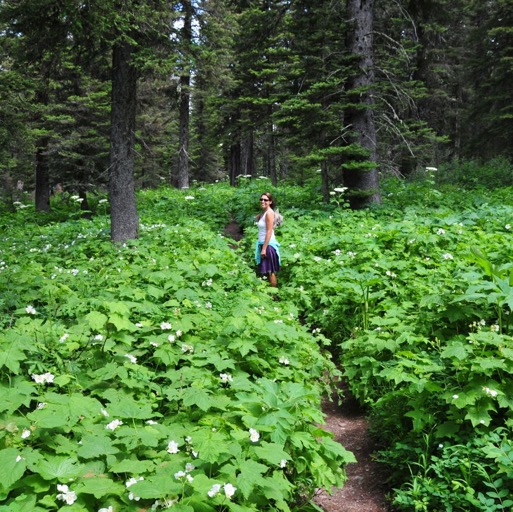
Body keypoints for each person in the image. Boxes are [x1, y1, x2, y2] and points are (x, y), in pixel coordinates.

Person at [255, 192, 281, 287]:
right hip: (264, 244)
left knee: (271, 271)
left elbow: (269, 231)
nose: (263, 201)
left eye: (265, 200)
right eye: (261, 199)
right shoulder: (265, 213)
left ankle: (274, 296)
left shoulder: (269, 213)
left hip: (268, 246)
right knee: (267, 271)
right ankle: (269, 294)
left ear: (270, 202)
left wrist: (264, 248)